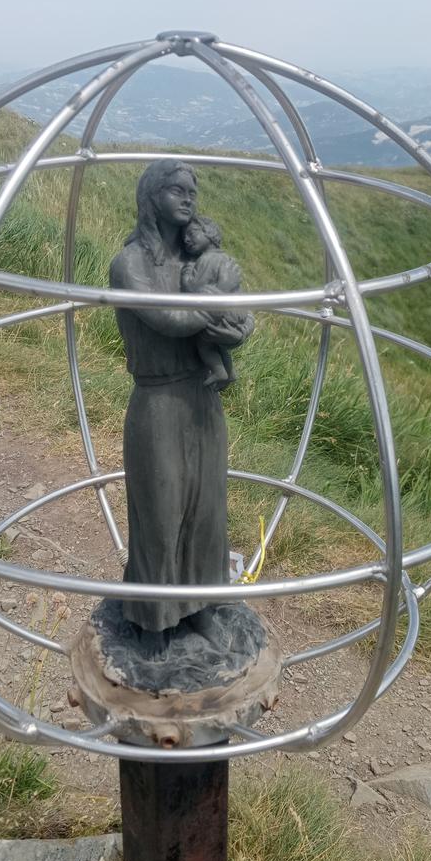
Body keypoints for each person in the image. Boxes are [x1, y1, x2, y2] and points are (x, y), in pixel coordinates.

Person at [109, 160, 254, 634]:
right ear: (151, 197)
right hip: (158, 403)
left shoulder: (197, 264)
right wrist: (219, 305)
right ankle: (154, 621)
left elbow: (235, 323)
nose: (188, 198)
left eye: (192, 190)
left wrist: (237, 324)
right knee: (161, 512)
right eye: (175, 190)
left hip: (202, 398)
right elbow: (168, 321)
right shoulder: (130, 265)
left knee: (206, 509)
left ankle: (202, 607)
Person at [180, 213, 251, 390]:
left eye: (192, 233)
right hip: (238, 313)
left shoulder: (206, 260)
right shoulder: (225, 258)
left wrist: (186, 275)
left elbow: (195, 289)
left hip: (222, 313)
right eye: (184, 238)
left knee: (204, 344)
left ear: (209, 233)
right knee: (218, 346)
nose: (187, 240)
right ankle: (230, 372)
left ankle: (218, 370)